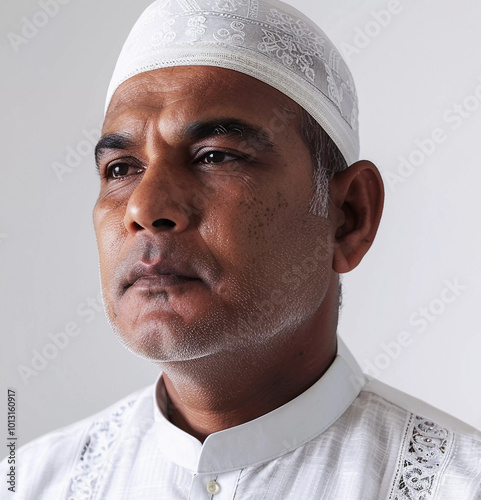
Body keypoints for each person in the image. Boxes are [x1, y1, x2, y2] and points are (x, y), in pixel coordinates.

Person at [2, 0, 481, 498]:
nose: (144, 207)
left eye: (214, 156)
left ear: (348, 217)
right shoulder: (31, 483)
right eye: (121, 168)